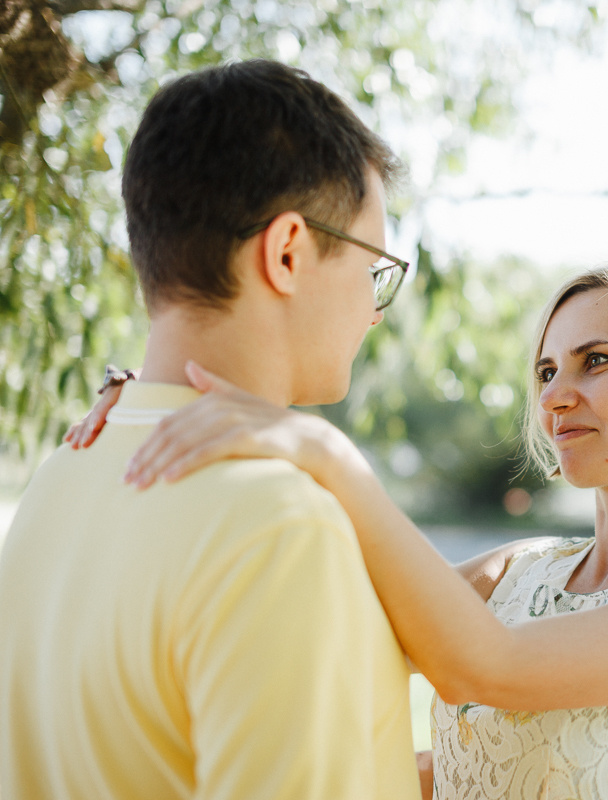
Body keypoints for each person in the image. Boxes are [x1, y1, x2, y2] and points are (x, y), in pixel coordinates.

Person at [74, 262, 608, 799]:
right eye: (546, 370)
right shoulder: (521, 569)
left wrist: (328, 454)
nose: (556, 396)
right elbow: (329, 626)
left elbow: (489, 668)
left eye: (596, 361)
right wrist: (158, 399)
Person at [0, 60, 420, 798]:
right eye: (373, 267)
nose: (373, 309)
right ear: (288, 252)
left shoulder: (62, 471)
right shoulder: (280, 526)